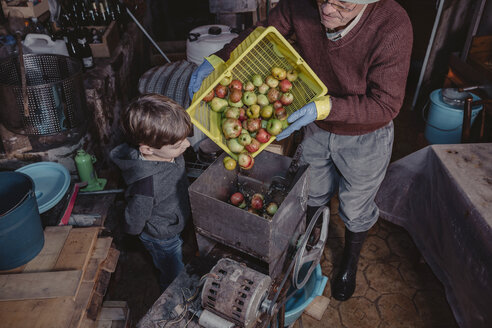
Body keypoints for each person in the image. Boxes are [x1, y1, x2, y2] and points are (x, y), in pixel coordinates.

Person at [189, 0, 412, 301]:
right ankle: (311, 245)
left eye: (342, 5)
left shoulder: (392, 26)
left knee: (355, 205)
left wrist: (326, 107)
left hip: (365, 134)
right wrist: (219, 59)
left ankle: (349, 260)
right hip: (317, 124)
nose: (328, 10)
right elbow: (263, 32)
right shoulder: (301, 2)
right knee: (313, 190)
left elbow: (385, 105)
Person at [110, 93, 193, 291]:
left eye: (185, 139)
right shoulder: (145, 185)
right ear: (147, 149)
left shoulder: (165, 152)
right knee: (173, 270)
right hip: (162, 236)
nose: (188, 145)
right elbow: (136, 216)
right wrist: (133, 231)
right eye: (177, 145)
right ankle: (173, 293)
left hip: (173, 217)